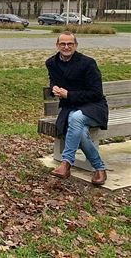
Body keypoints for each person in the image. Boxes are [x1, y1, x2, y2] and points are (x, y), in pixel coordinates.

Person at [47, 31, 108, 186]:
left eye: (70, 44)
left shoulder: (87, 63)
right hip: (70, 108)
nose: (66, 47)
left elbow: (96, 93)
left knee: (76, 118)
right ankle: (100, 168)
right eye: (63, 44)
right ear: (57, 45)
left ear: (76, 46)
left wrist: (69, 94)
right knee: (78, 128)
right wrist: (54, 88)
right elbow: (53, 80)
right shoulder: (51, 63)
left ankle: (66, 163)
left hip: (94, 107)